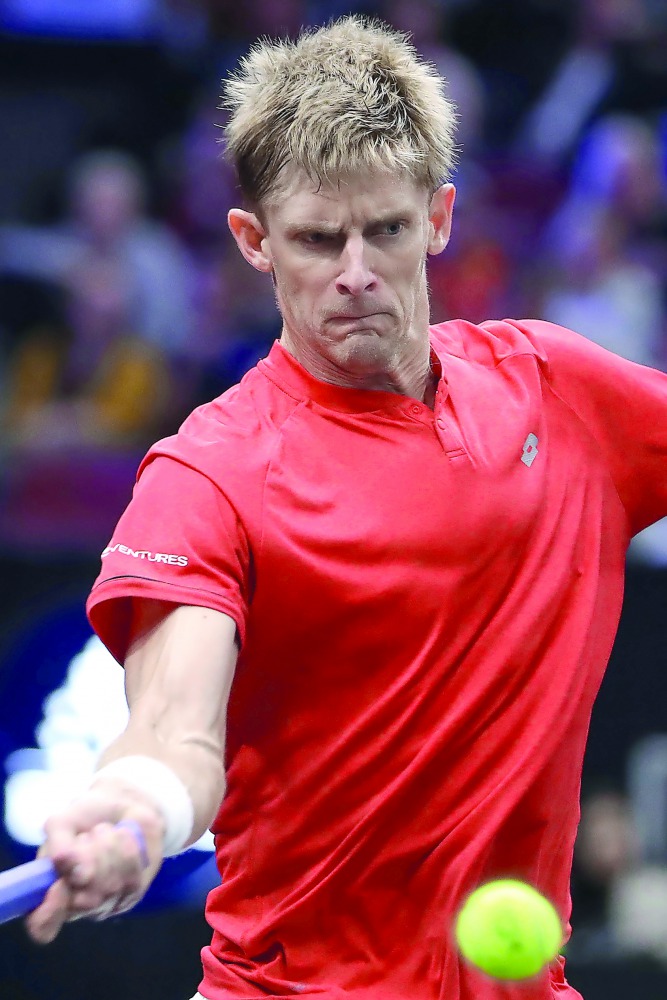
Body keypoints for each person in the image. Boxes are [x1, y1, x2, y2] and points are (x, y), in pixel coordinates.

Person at [24, 16, 667, 1000]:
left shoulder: (561, 392)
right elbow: (171, 731)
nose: (356, 271)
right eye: (318, 239)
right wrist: (135, 810)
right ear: (253, 240)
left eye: (388, 229)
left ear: (440, 217)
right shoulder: (209, 474)